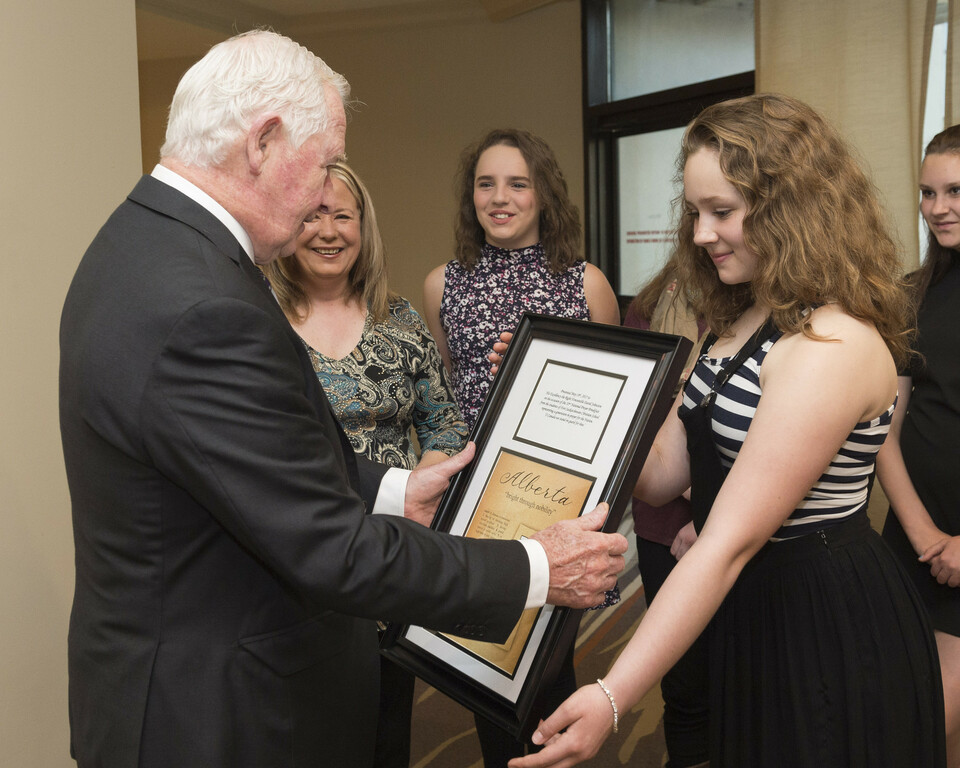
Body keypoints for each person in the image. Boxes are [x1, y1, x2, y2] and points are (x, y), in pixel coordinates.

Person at [58, 31, 627, 768]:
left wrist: (394, 489)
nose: (328, 193)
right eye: (325, 162)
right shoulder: (202, 301)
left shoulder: (141, 243)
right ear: (263, 143)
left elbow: (255, 461)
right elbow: (331, 551)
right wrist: (538, 568)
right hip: (216, 716)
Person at [507, 93, 946, 768]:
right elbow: (660, 479)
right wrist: (560, 385)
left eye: (723, 212)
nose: (702, 234)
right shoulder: (743, 321)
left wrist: (613, 693)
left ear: (789, 210)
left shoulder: (831, 342)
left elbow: (726, 544)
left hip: (822, 617)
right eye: (695, 212)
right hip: (754, 607)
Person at [423, 127, 621, 767]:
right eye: (486, 183)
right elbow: (454, 396)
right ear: (470, 196)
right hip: (483, 504)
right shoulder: (442, 284)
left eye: (517, 183)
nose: (499, 198)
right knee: (484, 663)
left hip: (559, 497)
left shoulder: (585, 283)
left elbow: (615, 407)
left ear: (544, 196)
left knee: (547, 663)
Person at [263, 160, 467, 767]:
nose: (328, 231)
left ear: (363, 227)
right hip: (298, 565)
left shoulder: (398, 319)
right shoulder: (258, 322)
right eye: (311, 215)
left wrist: (416, 489)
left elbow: (445, 422)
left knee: (384, 731)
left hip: (389, 559)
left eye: (342, 216)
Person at [878, 123, 960, 767]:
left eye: (956, 190)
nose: (937, 209)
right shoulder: (913, 292)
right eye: (928, 193)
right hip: (915, 541)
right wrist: (925, 535)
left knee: (927, 726)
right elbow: (887, 431)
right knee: (895, 715)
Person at [622, 259, 709, 768]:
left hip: (751, 524)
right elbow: (644, 419)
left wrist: (714, 514)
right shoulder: (652, 307)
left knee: (750, 681)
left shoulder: (775, 310)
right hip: (665, 526)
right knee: (684, 683)